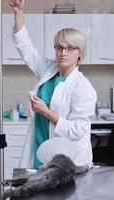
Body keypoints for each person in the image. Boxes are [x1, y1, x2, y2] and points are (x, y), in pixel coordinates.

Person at [9, 0, 97, 169]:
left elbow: (77, 131)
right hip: (39, 146)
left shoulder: (83, 87)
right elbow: (26, 49)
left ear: (80, 53)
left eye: (70, 48)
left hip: (67, 158)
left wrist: (46, 112)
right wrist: (18, 14)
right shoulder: (49, 69)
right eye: (59, 47)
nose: (63, 53)